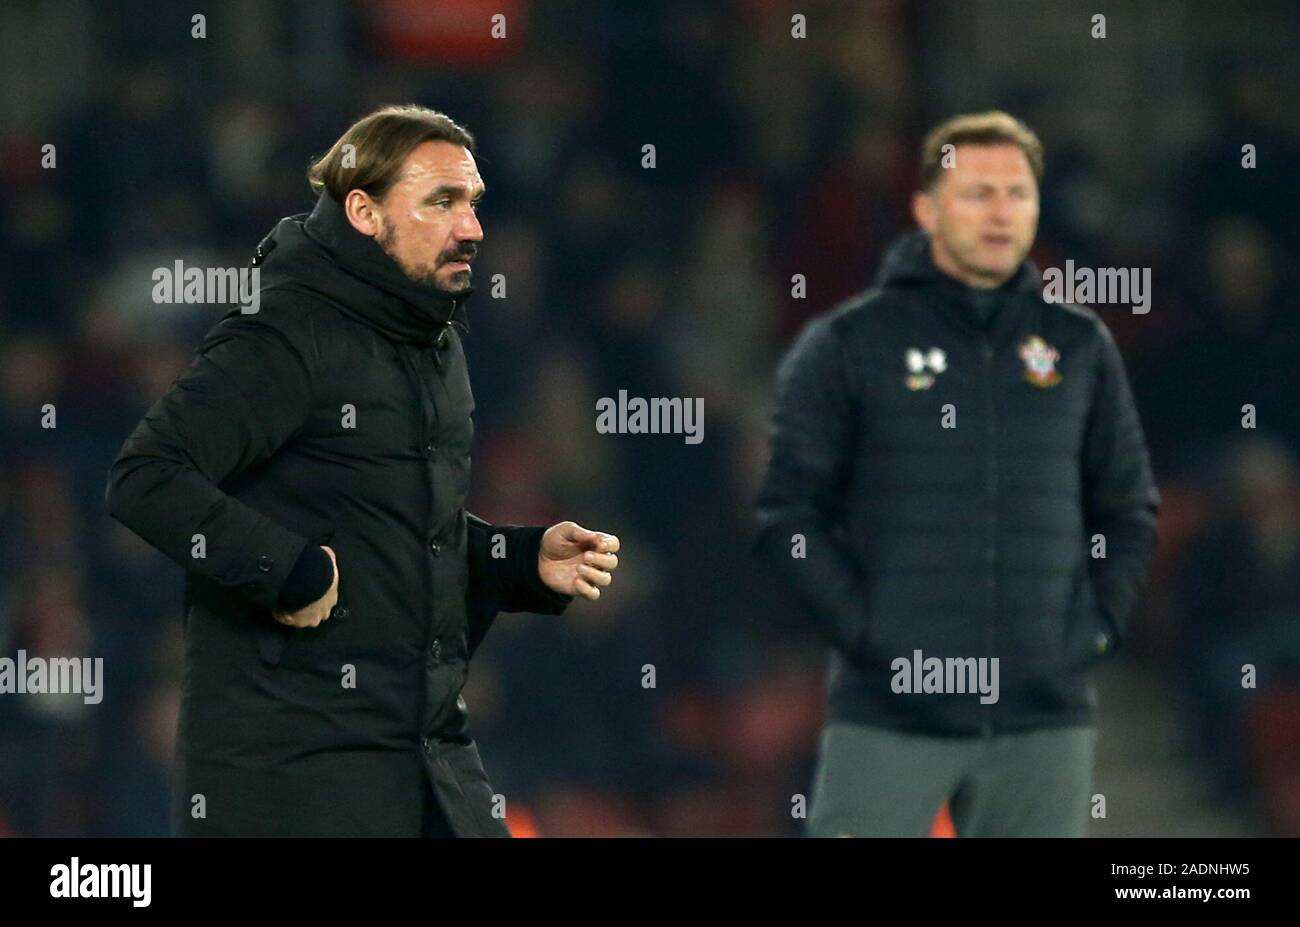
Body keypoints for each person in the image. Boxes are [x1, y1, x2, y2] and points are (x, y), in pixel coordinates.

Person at [106, 105, 621, 837]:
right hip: (296, 778)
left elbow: (393, 534)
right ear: (364, 210)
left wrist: (517, 558)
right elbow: (146, 476)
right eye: (442, 201)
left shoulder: (433, 344)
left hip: (426, 758)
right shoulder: (288, 332)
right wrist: (285, 569)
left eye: (472, 203)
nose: (471, 227)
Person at [755, 111, 1158, 837]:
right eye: (978, 193)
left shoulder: (1078, 347)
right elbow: (789, 519)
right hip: (892, 711)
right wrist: (869, 631)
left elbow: (1127, 509)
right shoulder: (850, 344)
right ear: (926, 207)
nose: (1002, 212)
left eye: (1018, 193)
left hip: (1043, 716)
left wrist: (1092, 629)